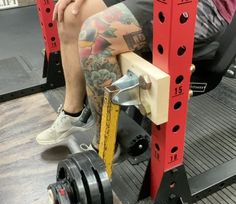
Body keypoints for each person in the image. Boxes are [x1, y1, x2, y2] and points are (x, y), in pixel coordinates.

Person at [36, 0, 236, 151]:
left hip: (199, 6)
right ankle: (74, 112)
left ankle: (105, 146)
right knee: (70, 14)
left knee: (96, 35)